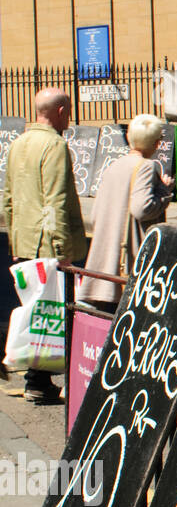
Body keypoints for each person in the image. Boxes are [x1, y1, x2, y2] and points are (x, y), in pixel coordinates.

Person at [2, 87, 88, 403]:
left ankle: (36, 379)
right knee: (51, 312)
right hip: (48, 244)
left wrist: (15, 239)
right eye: (69, 111)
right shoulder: (55, 145)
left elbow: (8, 197)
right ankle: (38, 380)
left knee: (37, 310)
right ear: (61, 111)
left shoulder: (19, 143)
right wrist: (61, 250)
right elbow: (55, 201)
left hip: (25, 240)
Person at [80, 113, 175, 311]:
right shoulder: (146, 166)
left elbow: (95, 214)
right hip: (128, 258)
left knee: (105, 315)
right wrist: (164, 192)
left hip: (105, 256)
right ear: (155, 142)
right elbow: (142, 209)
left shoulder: (114, 165)